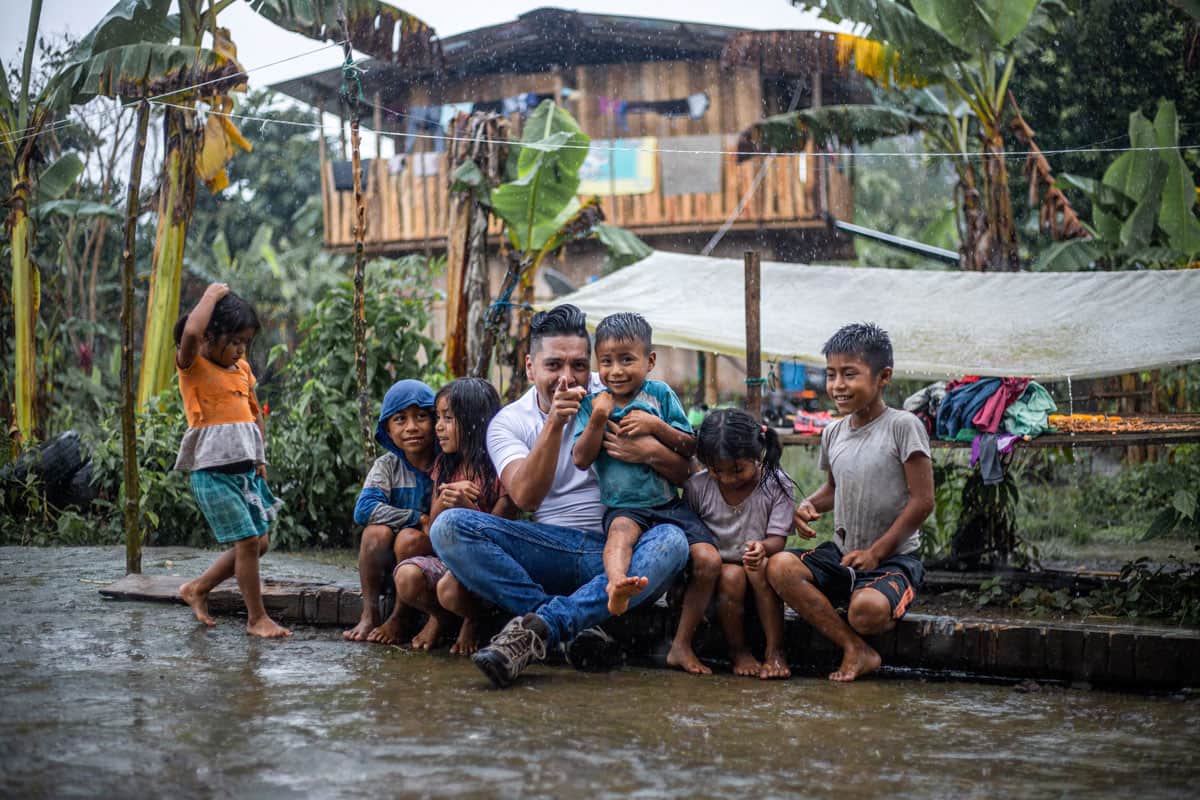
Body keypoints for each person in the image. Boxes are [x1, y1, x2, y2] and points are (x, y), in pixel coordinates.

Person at [430, 304, 690, 688]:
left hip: (619, 553)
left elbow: (687, 472)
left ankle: (539, 628)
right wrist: (555, 421)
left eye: (579, 366)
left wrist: (648, 452)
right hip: (547, 551)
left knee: (672, 541)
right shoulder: (510, 422)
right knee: (449, 526)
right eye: (554, 366)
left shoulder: (621, 392)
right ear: (530, 366)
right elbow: (526, 497)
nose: (567, 378)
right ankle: (567, 626)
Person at [767, 323, 934, 682]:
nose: (838, 385)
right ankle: (854, 648)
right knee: (779, 567)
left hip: (893, 557)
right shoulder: (833, 432)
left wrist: (877, 552)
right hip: (843, 553)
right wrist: (808, 503)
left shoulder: (903, 426)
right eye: (831, 375)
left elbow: (923, 501)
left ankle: (874, 596)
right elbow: (833, 488)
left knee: (867, 613)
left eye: (850, 374)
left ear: (882, 376)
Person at [572, 312, 710, 616]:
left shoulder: (659, 395)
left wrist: (655, 426)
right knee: (619, 535)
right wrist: (597, 420)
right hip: (624, 507)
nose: (616, 370)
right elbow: (581, 459)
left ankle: (686, 617)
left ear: (650, 361)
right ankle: (617, 585)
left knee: (708, 558)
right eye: (606, 361)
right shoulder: (592, 405)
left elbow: (689, 447)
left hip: (668, 504)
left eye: (626, 360)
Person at [174, 283, 290, 638]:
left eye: (245, 343)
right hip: (213, 474)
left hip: (245, 471)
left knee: (260, 542)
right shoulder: (192, 365)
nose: (241, 350)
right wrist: (211, 295)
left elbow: (254, 414)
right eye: (235, 341)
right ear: (209, 337)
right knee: (247, 543)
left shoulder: (241, 370)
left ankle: (197, 588)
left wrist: (260, 459)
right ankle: (256, 619)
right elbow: (191, 331)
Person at [368, 378, 517, 653]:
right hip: (449, 558)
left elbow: (501, 538)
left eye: (448, 418)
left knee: (449, 588)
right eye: (438, 417)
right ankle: (441, 617)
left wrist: (468, 509)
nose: (438, 427)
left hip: (485, 567)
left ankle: (475, 619)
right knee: (407, 576)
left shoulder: (502, 468)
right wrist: (448, 496)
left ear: (474, 421)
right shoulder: (445, 465)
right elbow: (433, 530)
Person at [670, 409, 795, 679]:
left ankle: (775, 651)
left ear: (757, 453)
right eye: (717, 471)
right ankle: (738, 651)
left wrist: (763, 548)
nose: (727, 478)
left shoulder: (776, 484)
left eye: (738, 469)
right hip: (715, 576)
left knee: (755, 567)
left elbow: (778, 540)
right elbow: (690, 536)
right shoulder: (698, 487)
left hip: (759, 569)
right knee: (732, 574)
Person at [344, 379, 437, 642]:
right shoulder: (387, 466)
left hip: (429, 560)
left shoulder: (444, 463)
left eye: (421, 417)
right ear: (387, 428)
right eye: (400, 419)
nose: (411, 427)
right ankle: (370, 614)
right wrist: (415, 517)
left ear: (435, 421)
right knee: (375, 534)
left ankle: (400, 616)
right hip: (388, 565)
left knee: (411, 539)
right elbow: (364, 510)